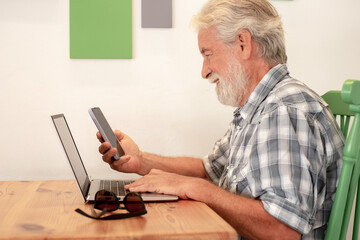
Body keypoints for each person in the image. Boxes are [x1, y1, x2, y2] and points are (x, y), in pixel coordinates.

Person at [97, 0, 344, 239]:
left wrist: (198, 190)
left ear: (243, 44)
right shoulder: (258, 108)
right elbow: (209, 170)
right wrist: (139, 161)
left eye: (208, 53)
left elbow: (281, 231)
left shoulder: (282, 110)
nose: (204, 71)